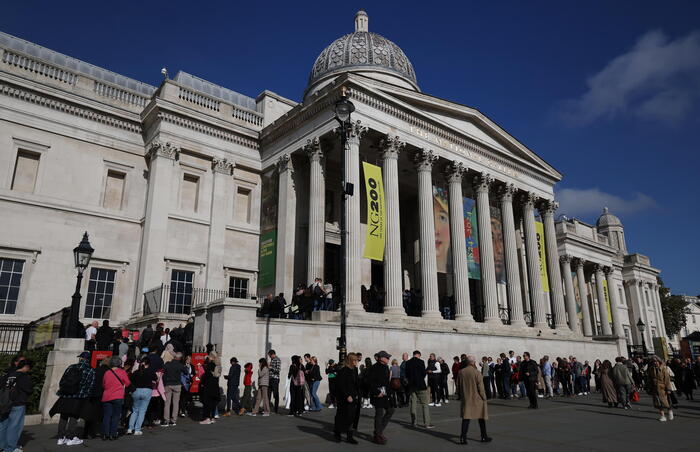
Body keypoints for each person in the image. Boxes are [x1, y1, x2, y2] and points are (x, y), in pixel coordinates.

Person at [50, 352, 95, 446]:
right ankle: (70, 438)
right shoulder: (90, 370)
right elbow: (90, 386)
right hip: (79, 397)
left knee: (64, 416)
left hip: (66, 395)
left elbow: (62, 381)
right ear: (88, 359)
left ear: (81, 358)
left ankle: (61, 438)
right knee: (74, 416)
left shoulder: (71, 367)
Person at [458, 355, 492, 445]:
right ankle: (484, 436)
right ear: (473, 362)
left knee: (466, 418)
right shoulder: (477, 373)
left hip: (466, 398)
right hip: (477, 399)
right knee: (481, 418)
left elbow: (458, 386)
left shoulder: (461, 372)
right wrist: (484, 397)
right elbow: (481, 388)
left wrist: (462, 395)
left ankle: (463, 437)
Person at [0, 359, 32, 452]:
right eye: (28, 368)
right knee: (14, 426)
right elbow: (29, 389)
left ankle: (2, 446)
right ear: (26, 367)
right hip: (18, 403)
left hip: (5, 403)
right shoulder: (23, 376)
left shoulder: (8, 374)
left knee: (3, 425)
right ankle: (10, 448)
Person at [101, 356, 130, 441]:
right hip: (118, 396)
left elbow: (103, 384)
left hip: (106, 396)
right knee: (116, 416)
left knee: (106, 416)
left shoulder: (107, 372)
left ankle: (105, 434)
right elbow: (128, 383)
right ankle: (112, 434)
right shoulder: (122, 372)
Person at [333, 353, 360, 444]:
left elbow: (356, 383)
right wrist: (347, 395)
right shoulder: (343, 371)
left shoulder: (355, 370)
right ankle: (337, 433)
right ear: (350, 361)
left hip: (353, 397)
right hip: (344, 398)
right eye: (355, 360)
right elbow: (340, 385)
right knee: (341, 416)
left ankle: (350, 436)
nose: (357, 362)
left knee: (351, 417)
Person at [368, 351, 394, 445]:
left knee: (391, 410)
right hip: (377, 394)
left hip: (385, 394)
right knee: (379, 413)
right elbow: (370, 382)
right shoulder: (374, 368)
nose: (388, 359)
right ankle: (377, 435)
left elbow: (387, 382)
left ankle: (378, 432)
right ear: (381, 358)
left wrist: (389, 393)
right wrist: (377, 392)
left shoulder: (386, 367)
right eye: (387, 357)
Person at [127, 356, 156, 435]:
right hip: (147, 391)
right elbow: (156, 379)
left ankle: (130, 428)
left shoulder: (136, 372)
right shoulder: (150, 371)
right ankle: (137, 429)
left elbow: (130, 381)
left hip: (136, 391)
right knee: (142, 411)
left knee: (135, 410)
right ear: (148, 364)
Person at [405, 350, 433, 428]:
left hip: (412, 386)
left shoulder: (408, 363)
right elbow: (423, 373)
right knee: (424, 404)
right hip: (420, 385)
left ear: (413, 355)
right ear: (419, 355)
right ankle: (426, 423)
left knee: (413, 404)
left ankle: (414, 422)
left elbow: (407, 374)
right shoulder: (421, 362)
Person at [648, 357, 673, 421]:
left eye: (656, 361)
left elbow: (667, 379)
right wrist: (649, 388)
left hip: (662, 388)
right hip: (654, 387)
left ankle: (669, 410)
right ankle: (663, 416)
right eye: (654, 362)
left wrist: (668, 389)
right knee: (658, 403)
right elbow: (649, 379)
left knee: (665, 402)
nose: (655, 363)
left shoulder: (663, 369)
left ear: (659, 362)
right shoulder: (651, 369)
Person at [162, 355, 184, 426]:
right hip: (177, 384)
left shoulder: (167, 364)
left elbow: (163, 371)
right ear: (180, 358)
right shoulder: (180, 365)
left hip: (168, 384)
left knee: (167, 403)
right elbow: (186, 372)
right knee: (176, 403)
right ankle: (174, 420)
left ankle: (166, 420)